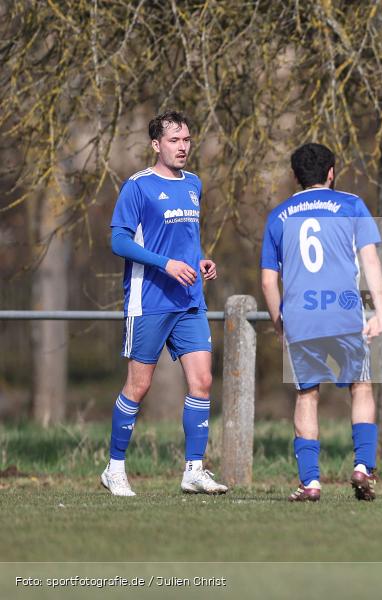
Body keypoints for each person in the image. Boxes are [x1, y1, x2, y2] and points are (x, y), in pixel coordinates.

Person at [102, 110, 227, 497]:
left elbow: (187, 239)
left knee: (203, 381)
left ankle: (193, 469)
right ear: (156, 144)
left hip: (189, 299)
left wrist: (200, 260)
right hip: (149, 299)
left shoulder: (194, 184)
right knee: (139, 385)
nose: (183, 146)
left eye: (187, 139)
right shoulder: (137, 187)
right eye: (175, 140)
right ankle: (115, 468)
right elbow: (119, 241)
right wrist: (166, 264)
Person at [260, 143, 382, 502]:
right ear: (331, 172)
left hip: (301, 318)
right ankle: (363, 466)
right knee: (360, 387)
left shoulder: (279, 216)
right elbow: (371, 261)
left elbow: (269, 281)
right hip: (345, 315)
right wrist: (379, 311)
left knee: (307, 396)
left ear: (296, 177)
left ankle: (311, 483)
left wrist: (279, 322)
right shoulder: (351, 205)